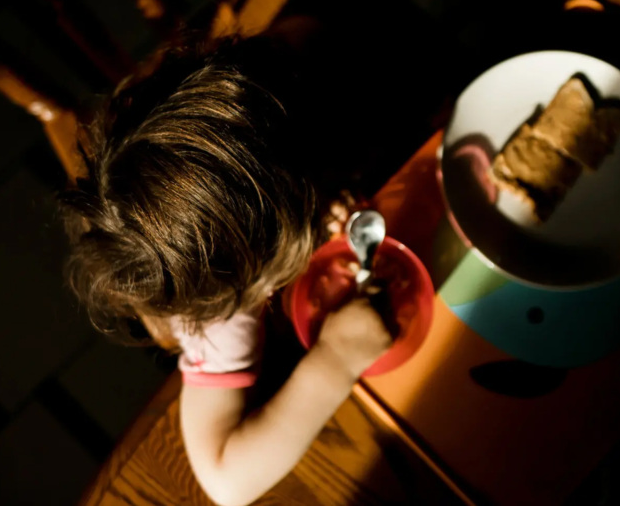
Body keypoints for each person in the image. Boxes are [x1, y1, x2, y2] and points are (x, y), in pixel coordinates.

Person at [58, 29, 396, 506]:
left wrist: (325, 200)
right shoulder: (220, 316)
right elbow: (224, 481)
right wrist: (335, 360)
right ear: (257, 281)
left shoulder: (263, 88)